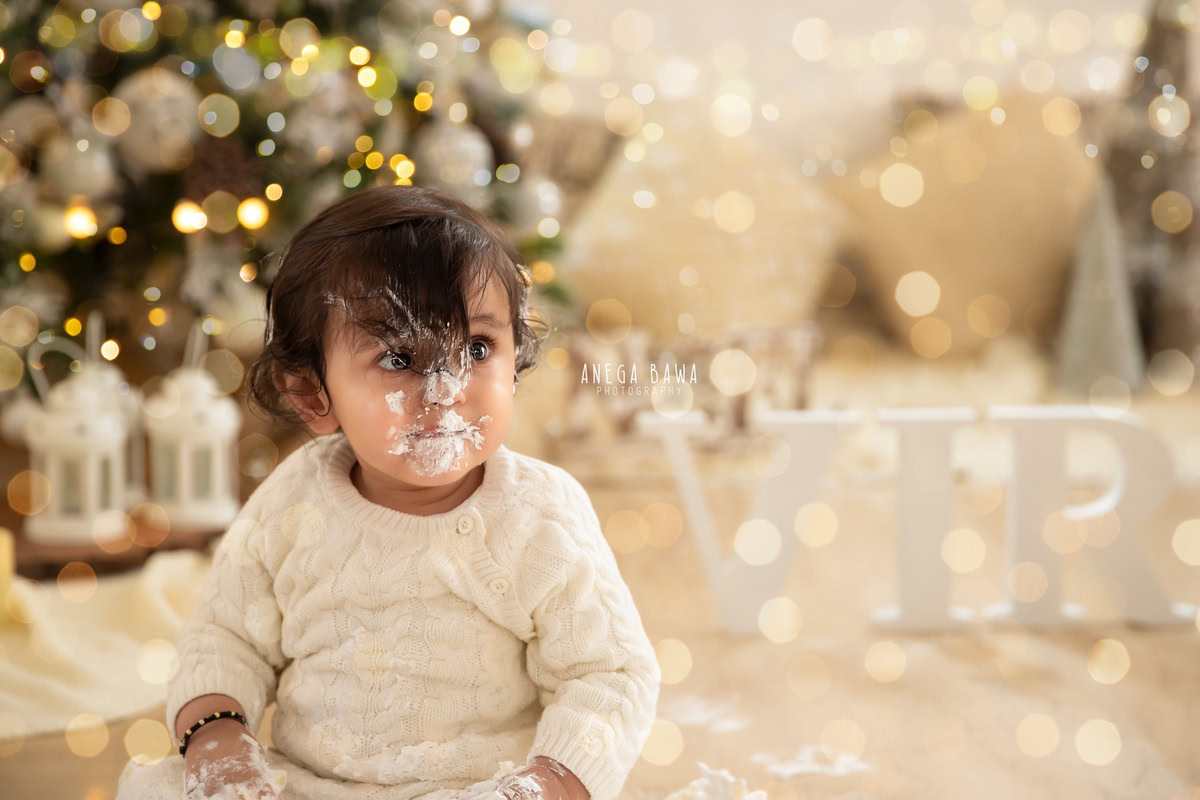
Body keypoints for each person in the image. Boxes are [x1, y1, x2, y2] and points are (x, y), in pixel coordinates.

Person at [114, 185, 661, 800]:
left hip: (480, 790)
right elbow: (226, 635)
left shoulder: (539, 513)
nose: (448, 386)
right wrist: (221, 744)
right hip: (311, 786)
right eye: (400, 358)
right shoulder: (295, 500)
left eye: (478, 348)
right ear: (312, 395)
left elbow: (609, 674)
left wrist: (546, 783)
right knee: (153, 789)